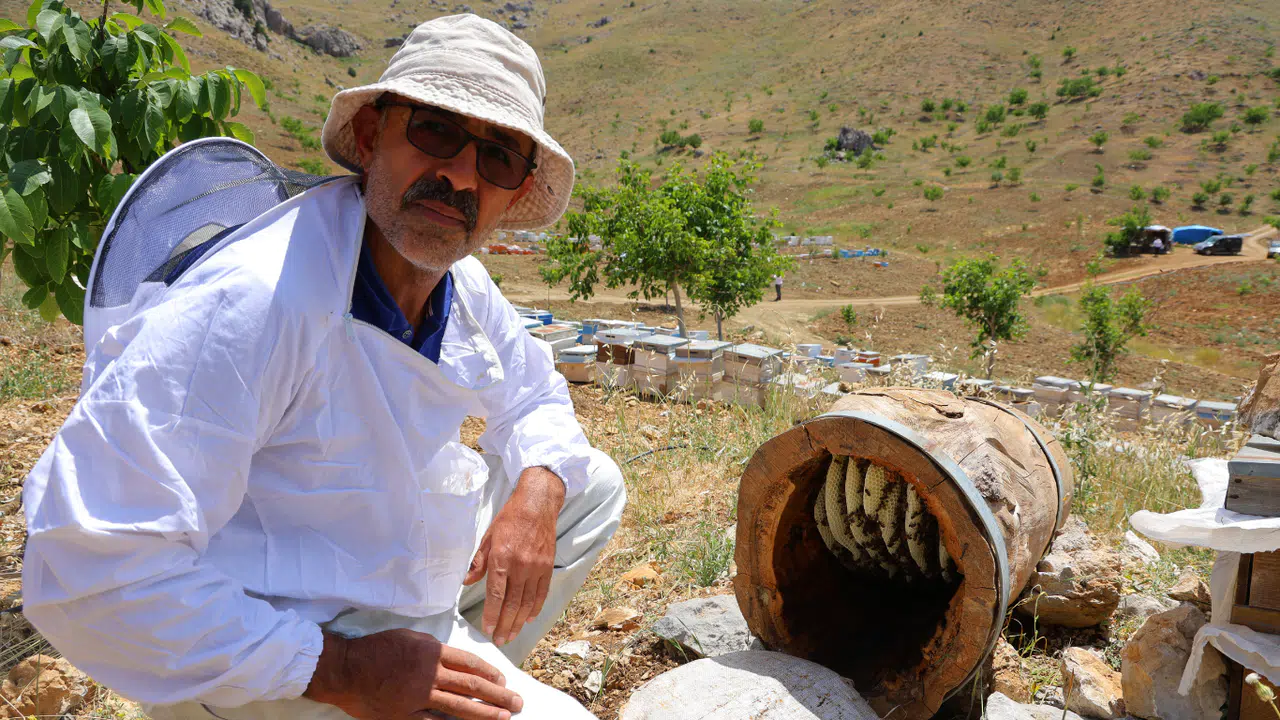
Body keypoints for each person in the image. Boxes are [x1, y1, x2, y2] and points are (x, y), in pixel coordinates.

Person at [21, 14, 624, 720]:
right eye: (436, 131)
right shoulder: (255, 299)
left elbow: (537, 393)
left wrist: (539, 493)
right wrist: (343, 669)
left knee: (588, 484)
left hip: (372, 597)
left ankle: (445, 672)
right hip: (273, 642)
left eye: (498, 158)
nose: (460, 174)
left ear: (515, 194)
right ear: (370, 138)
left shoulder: (459, 284)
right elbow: (84, 565)